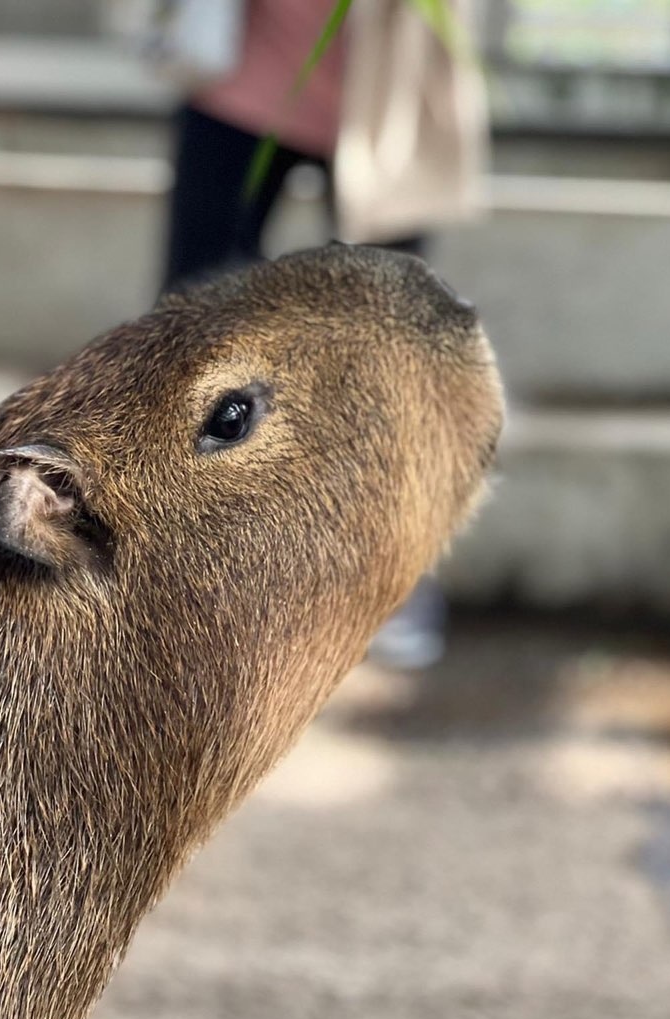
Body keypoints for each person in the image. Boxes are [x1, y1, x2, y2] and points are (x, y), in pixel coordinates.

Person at [161, 0, 487, 666]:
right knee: (190, 340)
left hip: (389, 97)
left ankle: (390, 581)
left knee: (386, 351)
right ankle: (177, 574)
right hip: (238, 78)